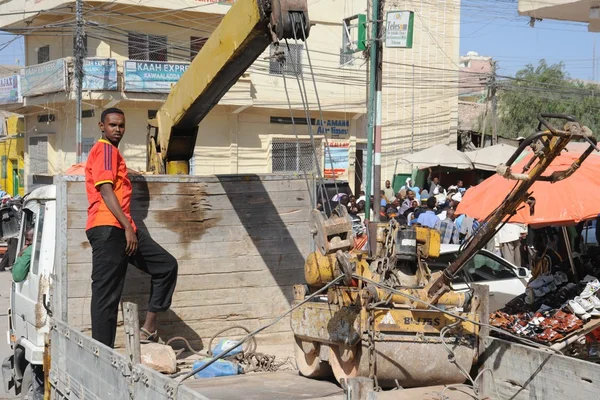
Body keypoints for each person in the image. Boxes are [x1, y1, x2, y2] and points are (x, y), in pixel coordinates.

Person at [85, 108, 178, 348]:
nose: (117, 130)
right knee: (107, 295)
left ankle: (148, 329)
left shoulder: (112, 153)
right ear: (101, 126)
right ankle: (102, 354)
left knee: (166, 266)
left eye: (121, 125)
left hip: (122, 228)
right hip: (110, 227)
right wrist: (127, 227)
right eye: (112, 125)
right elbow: (106, 190)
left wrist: (128, 227)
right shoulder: (105, 149)